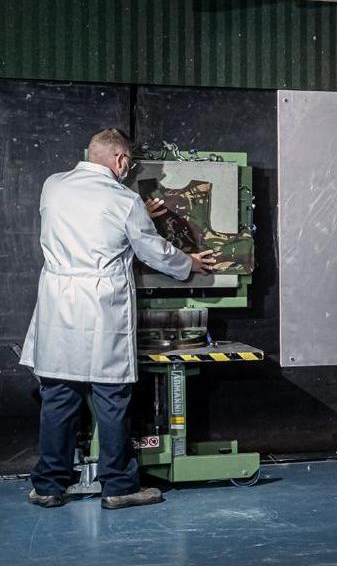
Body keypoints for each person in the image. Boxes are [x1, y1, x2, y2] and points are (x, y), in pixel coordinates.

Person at [19, 128, 216, 509]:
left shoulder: (53, 185)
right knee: (111, 399)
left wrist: (140, 211)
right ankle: (120, 487)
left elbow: (88, 218)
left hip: (58, 304)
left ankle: (48, 485)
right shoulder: (124, 200)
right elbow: (151, 250)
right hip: (101, 304)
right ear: (122, 161)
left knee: (59, 397)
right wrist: (187, 262)